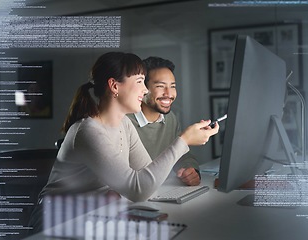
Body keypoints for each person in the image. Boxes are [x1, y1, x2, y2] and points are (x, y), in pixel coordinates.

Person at [29, 52, 219, 233]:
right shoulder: (88, 131)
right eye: (139, 82)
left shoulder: (124, 124)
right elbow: (138, 189)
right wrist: (184, 140)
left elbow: (147, 171)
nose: (145, 90)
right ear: (114, 86)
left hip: (94, 214)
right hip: (56, 220)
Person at [128, 56, 201, 186]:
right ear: (143, 89)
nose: (169, 93)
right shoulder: (124, 122)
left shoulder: (170, 118)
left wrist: (191, 170)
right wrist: (185, 139)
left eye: (172, 86)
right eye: (160, 86)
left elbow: (183, 156)